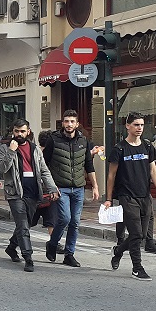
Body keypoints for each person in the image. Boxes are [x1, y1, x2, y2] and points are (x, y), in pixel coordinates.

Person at [105, 111, 156, 281]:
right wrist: (109, 198)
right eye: (136, 125)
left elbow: (153, 169)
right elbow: (111, 175)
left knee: (140, 235)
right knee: (136, 233)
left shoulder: (148, 146)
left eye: (142, 125)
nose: (139, 128)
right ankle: (137, 268)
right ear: (128, 126)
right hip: (127, 196)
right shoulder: (119, 149)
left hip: (144, 195)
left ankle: (118, 251)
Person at [0, 120, 59, 272]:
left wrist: (52, 188)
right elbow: (2, 168)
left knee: (25, 224)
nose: (19, 134)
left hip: (33, 192)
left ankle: (12, 247)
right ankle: (28, 257)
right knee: (23, 225)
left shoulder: (35, 149)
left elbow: (44, 170)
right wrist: (11, 151)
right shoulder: (4, 148)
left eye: (22, 131)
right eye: (17, 131)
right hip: (15, 193)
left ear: (28, 132)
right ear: (13, 131)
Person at [43, 110, 101, 266]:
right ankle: (53, 244)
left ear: (77, 124)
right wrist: (50, 186)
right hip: (60, 187)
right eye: (66, 121)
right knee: (65, 218)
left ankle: (69, 254)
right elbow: (44, 164)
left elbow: (89, 165)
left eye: (72, 121)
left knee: (75, 222)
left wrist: (95, 186)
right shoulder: (53, 140)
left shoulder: (83, 141)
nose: (69, 124)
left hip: (78, 188)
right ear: (63, 123)